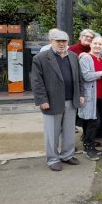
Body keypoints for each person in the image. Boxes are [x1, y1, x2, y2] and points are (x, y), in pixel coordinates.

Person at [31, 29, 84, 171]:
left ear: (67, 42)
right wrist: (42, 100)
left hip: (71, 100)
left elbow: (79, 78)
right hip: (51, 101)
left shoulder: (73, 56)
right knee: (52, 133)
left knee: (69, 132)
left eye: (64, 41)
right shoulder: (40, 58)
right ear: (51, 42)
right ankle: (53, 159)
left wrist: (81, 94)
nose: (61, 44)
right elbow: (37, 82)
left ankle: (67, 155)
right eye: (58, 41)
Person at [78, 36, 102, 160]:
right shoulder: (86, 58)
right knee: (94, 122)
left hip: (100, 96)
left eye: (100, 44)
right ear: (90, 44)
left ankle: (89, 144)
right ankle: (89, 148)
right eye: (95, 43)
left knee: (95, 122)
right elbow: (86, 76)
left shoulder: (101, 57)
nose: (97, 46)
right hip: (90, 96)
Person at [68, 28, 96, 132]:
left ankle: (86, 133)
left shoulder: (94, 49)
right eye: (86, 36)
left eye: (91, 37)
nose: (88, 38)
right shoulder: (72, 49)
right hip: (75, 82)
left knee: (86, 109)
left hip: (89, 84)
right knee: (73, 108)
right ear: (80, 37)